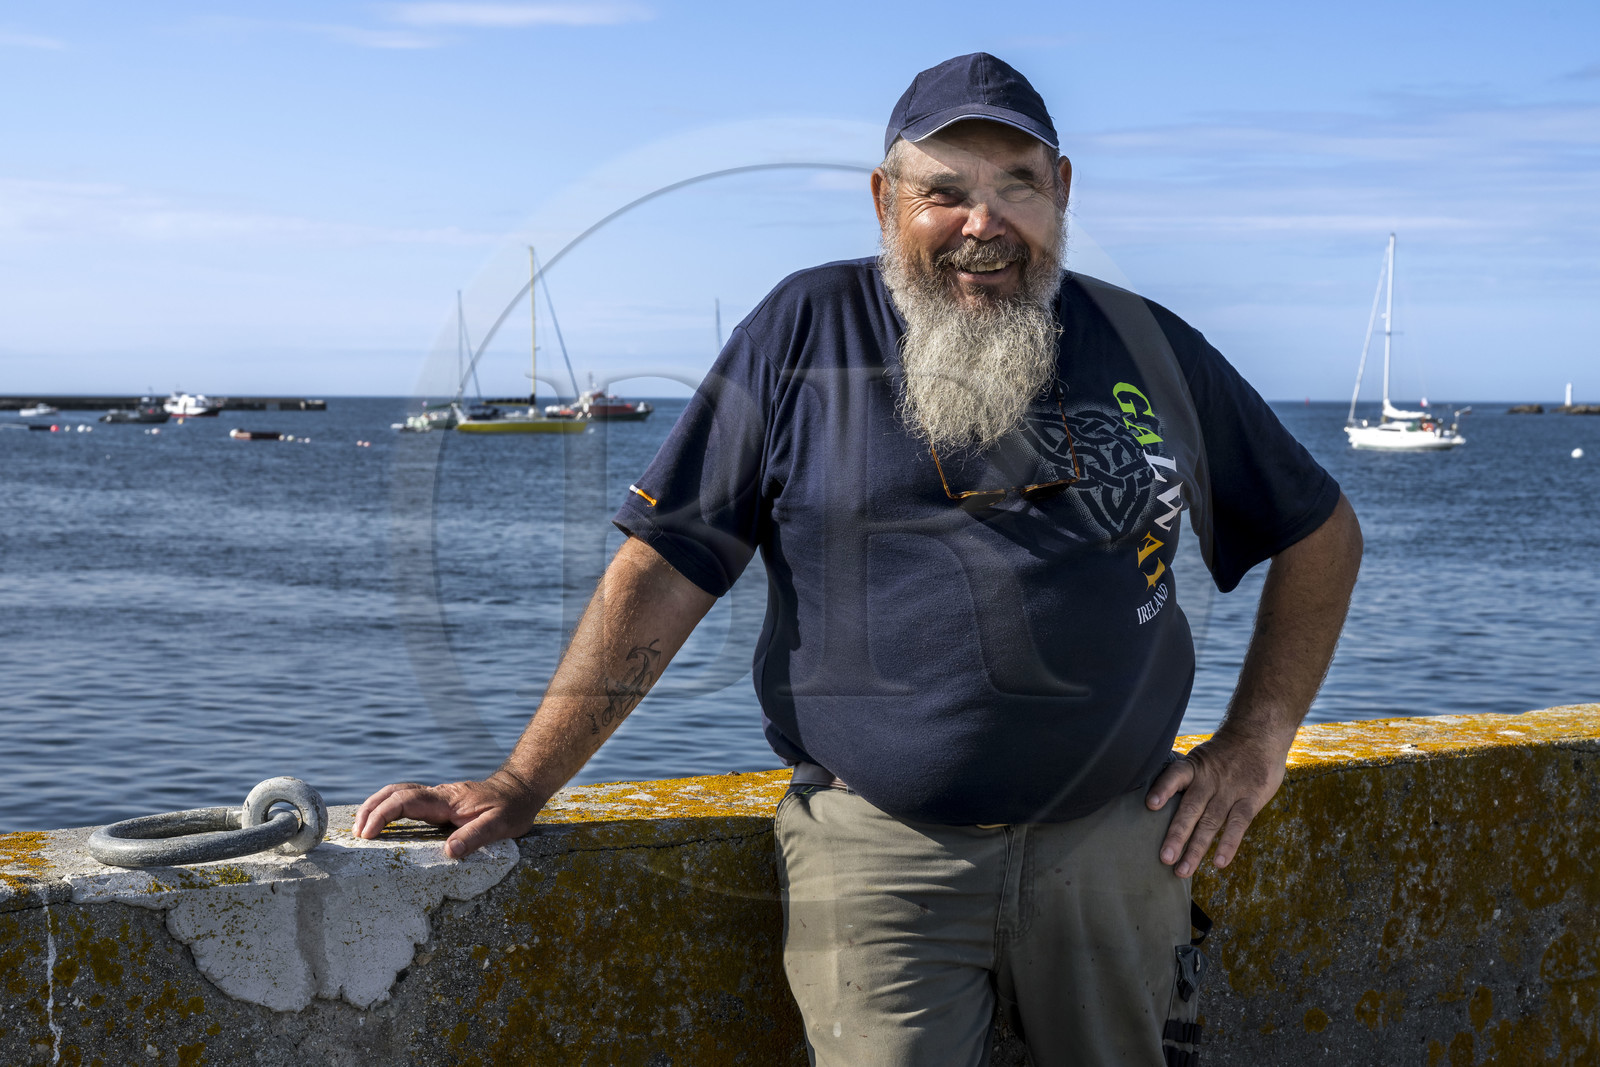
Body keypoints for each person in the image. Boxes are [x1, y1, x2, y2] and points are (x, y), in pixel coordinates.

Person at [356, 52, 1363, 1066]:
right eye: (945, 192)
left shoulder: (1150, 344)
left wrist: (1256, 739)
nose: (985, 222)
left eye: (1018, 184)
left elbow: (1319, 530)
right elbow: (666, 567)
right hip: (879, 857)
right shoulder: (804, 330)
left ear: (1061, 194)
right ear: (885, 202)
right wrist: (525, 778)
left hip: (1115, 846)